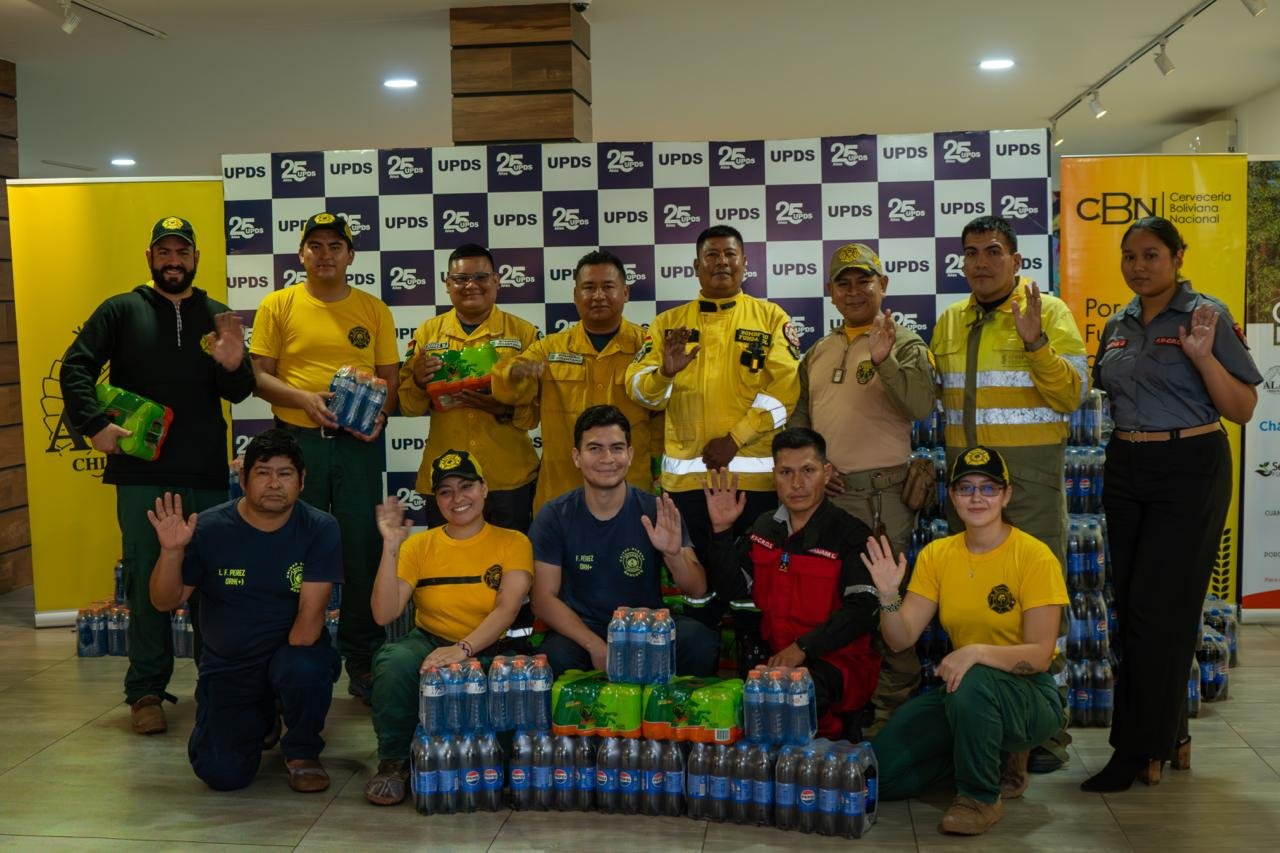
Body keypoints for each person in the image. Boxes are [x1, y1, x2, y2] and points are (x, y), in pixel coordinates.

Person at [1082, 216, 1260, 792]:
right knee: (1133, 607)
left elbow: (1242, 409)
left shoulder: (1206, 315)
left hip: (1189, 465)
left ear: (1178, 257)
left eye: (1151, 255)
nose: (1138, 266)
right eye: (1129, 256)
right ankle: (1170, 733)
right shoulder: (1118, 323)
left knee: (1160, 612)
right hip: (1125, 465)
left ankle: (1135, 749)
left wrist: (1203, 357)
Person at [59, 216, 254, 735]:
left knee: (212, 582)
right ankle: (146, 690)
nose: (173, 261)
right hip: (141, 473)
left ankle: (218, 683)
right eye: (164, 252)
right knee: (148, 580)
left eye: (181, 252)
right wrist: (93, 424)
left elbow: (239, 392)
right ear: (150, 257)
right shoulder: (121, 309)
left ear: (195, 258)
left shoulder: (216, 315)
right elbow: (75, 367)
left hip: (206, 474)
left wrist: (233, 363)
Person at [930, 214, 1086, 772]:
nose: (981, 262)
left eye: (993, 251)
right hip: (969, 488)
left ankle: (1044, 731)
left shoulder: (1051, 312)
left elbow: (1072, 395)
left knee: (1038, 607)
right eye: (971, 252)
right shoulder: (950, 321)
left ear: (1017, 260)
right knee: (972, 602)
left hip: (1030, 484)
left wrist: (1035, 341)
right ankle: (982, 718)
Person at [868, 446, 1068, 836]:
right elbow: (900, 639)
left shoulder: (1034, 556)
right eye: (966, 488)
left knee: (973, 679)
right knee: (883, 775)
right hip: (964, 692)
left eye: (989, 488)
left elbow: (1041, 656)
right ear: (953, 496)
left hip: (1030, 696)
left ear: (1006, 495)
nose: (977, 497)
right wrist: (889, 596)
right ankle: (984, 760)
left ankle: (979, 798)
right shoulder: (938, 555)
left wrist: (975, 652)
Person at [249, 212, 400, 704]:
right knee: (290, 544)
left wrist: (381, 414)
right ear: (301, 254)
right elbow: (258, 376)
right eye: (315, 245)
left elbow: (390, 378)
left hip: (358, 443)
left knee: (361, 547)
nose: (325, 254)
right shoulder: (278, 305)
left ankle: (362, 659)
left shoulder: (373, 309)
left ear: (350, 255)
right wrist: (303, 399)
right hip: (297, 442)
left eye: (335, 245)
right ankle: (287, 651)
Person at [788, 242, 936, 733]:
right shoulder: (819, 349)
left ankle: (894, 712)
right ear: (831, 292)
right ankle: (850, 703)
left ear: (883, 285)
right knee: (838, 605)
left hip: (881, 500)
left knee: (884, 602)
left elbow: (920, 406)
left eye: (864, 281)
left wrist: (885, 359)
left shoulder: (906, 342)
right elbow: (801, 420)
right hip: (828, 498)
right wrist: (813, 467)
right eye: (844, 283)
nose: (854, 291)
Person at [147, 429, 343, 793]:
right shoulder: (208, 527)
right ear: (243, 479)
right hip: (229, 665)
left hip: (291, 652)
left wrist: (275, 682)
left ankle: (302, 751)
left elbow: (309, 622)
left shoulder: (320, 527)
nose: (274, 483)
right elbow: (164, 601)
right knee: (222, 773)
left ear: (302, 480)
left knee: (304, 667)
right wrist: (171, 552)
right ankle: (261, 716)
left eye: (285, 474)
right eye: (263, 472)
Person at [625, 224, 800, 623]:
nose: (721, 262)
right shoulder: (668, 324)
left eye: (729, 254)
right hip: (687, 487)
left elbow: (785, 391)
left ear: (744, 263)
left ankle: (756, 657)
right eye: (712, 255)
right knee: (698, 593)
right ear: (696, 266)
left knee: (754, 590)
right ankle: (701, 658)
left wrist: (736, 438)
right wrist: (664, 374)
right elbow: (639, 390)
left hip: (755, 486)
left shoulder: (771, 317)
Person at [364, 449, 533, 805]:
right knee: (393, 661)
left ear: (484, 488)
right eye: (445, 491)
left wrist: (463, 649)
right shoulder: (419, 545)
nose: (457, 499)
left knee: (504, 762)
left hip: (494, 649)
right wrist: (391, 546)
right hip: (430, 642)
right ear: (436, 500)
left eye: (466, 486)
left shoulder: (514, 541)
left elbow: (506, 610)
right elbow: (383, 614)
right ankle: (394, 763)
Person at [704, 427, 880, 737]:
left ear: (827, 473)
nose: (797, 483)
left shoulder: (851, 534)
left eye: (808, 471)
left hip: (839, 664)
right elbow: (733, 590)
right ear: (774, 475)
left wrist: (802, 648)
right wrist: (721, 531)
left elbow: (862, 610)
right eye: (786, 472)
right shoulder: (764, 527)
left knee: (794, 696)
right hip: (777, 661)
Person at [529, 405, 719, 677]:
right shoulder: (554, 515)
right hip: (584, 630)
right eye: (594, 448)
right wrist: (595, 646)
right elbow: (542, 599)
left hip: (646, 627)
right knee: (553, 659)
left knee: (699, 642)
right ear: (577, 457)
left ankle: (667, 703)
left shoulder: (656, 510)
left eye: (616, 448)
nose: (607, 458)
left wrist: (673, 553)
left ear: (629, 455)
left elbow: (697, 589)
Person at [491, 249, 661, 513]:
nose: (598, 296)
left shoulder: (647, 347)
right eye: (589, 288)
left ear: (625, 292)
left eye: (608, 287)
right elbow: (508, 387)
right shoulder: (550, 348)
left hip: (630, 492)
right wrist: (514, 372)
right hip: (561, 494)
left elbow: (661, 419)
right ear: (575, 295)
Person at [398, 243, 540, 531]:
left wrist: (503, 409)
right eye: (461, 279)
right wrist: (418, 381)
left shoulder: (524, 334)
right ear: (447, 284)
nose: (471, 285)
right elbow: (409, 407)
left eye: (481, 277)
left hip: (508, 478)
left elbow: (536, 415)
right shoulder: (427, 333)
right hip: (446, 479)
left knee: (513, 557)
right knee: (448, 559)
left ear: (497, 281)